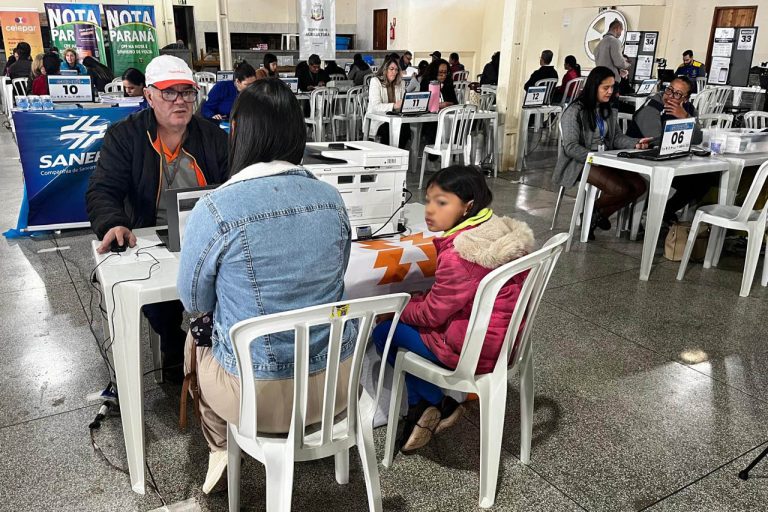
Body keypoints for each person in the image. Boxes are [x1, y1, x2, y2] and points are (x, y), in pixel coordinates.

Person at [177, 78, 357, 493]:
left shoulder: (217, 207)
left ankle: (221, 447)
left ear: (237, 133)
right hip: (338, 387)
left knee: (196, 336)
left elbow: (194, 301)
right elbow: (339, 272)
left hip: (259, 400)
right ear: (299, 132)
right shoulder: (332, 199)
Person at [86, 55, 229, 382]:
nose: (180, 101)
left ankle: (218, 348)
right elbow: (102, 189)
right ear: (148, 96)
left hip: (207, 233)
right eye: (169, 93)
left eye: (187, 92)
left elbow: (234, 184)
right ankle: (174, 340)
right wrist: (113, 222)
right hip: (151, 233)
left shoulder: (212, 136)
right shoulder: (125, 137)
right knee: (151, 290)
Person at [372, 165, 534, 452]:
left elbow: (434, 313)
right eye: (429, 200)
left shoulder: (460, 254)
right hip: (504, 341)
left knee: (385, 332)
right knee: (408, 317)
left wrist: (399, 308)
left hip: (474, 350)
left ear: (467, 206)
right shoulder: (494, 230)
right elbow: (449, 299)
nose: (429, 210)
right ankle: (432, 405)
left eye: (442, 202)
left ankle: (431, 402)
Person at [552, 66, 652, 239]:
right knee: (620, 189)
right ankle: (593, 215)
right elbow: (570, 147)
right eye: (605, 88)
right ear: (594, 86)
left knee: (639, 186)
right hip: (580, 161)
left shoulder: (608, 109)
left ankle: (594, 216)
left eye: (612, 87)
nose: (610, 92)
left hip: (606, 158)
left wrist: (636, 143)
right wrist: (594, 158)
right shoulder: (575, 111)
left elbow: (616, 138)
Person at [629, 76, 710, 224]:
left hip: (670, 160)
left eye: (678, 94)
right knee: (686, 180)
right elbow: (654, 139)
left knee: (703, 179)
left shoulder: (688, 109)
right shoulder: (652, 106)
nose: (670, 96)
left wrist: (684, 117)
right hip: (641, 158)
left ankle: (666, 211)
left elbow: (698, 138)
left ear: (686, 99)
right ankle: (654, 214)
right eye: (669, 90)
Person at [367, 55, 409, 147]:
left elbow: (403, 102)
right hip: (379, 121)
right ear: (385, 70)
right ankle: (390, 155)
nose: (394, 72)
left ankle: (399, 154)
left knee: (406, 127)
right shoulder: (375, 81)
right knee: (388, 128)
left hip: (396, 119)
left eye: (396, 70)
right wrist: (394, 106)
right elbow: (375, 106)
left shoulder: (400, 83)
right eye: (392, 69)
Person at [594, 20, 630, 86]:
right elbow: (619, 62)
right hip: (611, 80)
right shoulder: (615, 41)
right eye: (621, 30)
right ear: (617, 28)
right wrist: (628, 65)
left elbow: (605, 63)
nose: (621, 33)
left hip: (600, 79)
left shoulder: (600, 43)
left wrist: (619, 70)